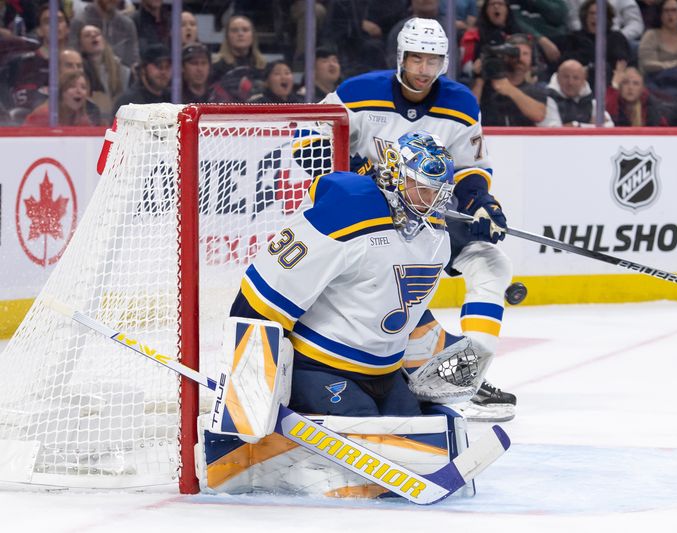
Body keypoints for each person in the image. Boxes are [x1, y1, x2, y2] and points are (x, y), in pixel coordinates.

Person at [321, 18, 518, 420]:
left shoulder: (460, 103)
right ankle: (421, 368)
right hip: (369, 221)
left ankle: (467, 377)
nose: (423, 70)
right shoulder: (357, 93)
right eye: (415, 59)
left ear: (444, 62)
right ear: (400, 57)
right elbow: (307, 142)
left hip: (430, 216)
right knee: (396, 292)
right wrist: (357, 173)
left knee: (491, 263)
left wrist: (480, 202)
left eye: (432, 61)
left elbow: (469, 167)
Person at [229, 131, 456, 417]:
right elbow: (267, 291)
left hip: (385, 371)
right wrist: (247, 380)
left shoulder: (434, 230)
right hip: (318, 366)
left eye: (439, 191)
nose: (431, 200)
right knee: (370, 435)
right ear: (395, 173)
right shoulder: (350, 210)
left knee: (423, 431)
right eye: (423, 187)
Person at [471, 33, 547, 126]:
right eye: (514, 53)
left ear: (532, 59)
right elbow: (469, 113)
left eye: (525, 54)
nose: (520, 58)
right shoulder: (484, 87)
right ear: (504, 55)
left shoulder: (536, 90)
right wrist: (479, 77)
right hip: (488, 138)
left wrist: (509, 89)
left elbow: (539, 115)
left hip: (522, 139)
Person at [554, 0, 631, 88]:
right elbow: (563, 64)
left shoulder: (616, 38)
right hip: (574, 84)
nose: (595, 17)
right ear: (585, 16)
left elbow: (621, 65)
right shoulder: (574, 38)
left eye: (600, 13)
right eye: (592, 13)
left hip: (610, 85)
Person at [538, 58, 615, 126]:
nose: (570, 82)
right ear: (557, 77)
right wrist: (590, 124)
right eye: (566, 77)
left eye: (576, 78)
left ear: (583, 81)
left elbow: (610, 125)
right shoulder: (547, 99)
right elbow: (554, 132)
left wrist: (576, 125)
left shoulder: (591, 101)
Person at [79, 24, 130, 123]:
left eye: (97, 34)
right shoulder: (79, 70)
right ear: (81, 45)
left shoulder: (123, 71)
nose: (93, 36)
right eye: (87, 35)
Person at [69, 0, 139, 67]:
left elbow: (133, 60)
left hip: (121, 76)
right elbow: (73, 57)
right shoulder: (80, 21)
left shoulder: (127, 24)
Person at [111, 42, 170, 116]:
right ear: (143, 69)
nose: (163, 71)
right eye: (158, 66)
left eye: (167, 66)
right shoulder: (128, 104)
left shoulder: (174, 98)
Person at [24, 70, 101, 126]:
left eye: (83, 87)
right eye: (72, 86)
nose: (79, 91)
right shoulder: (43, 116)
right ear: (61, 93)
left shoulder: (82, 120)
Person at [210, 15, 267, 84]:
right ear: (227, 36)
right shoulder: (215, 67)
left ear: (253, 35)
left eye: (245, 30)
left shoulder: (263, 66)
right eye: (234, 30)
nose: (240, 34)